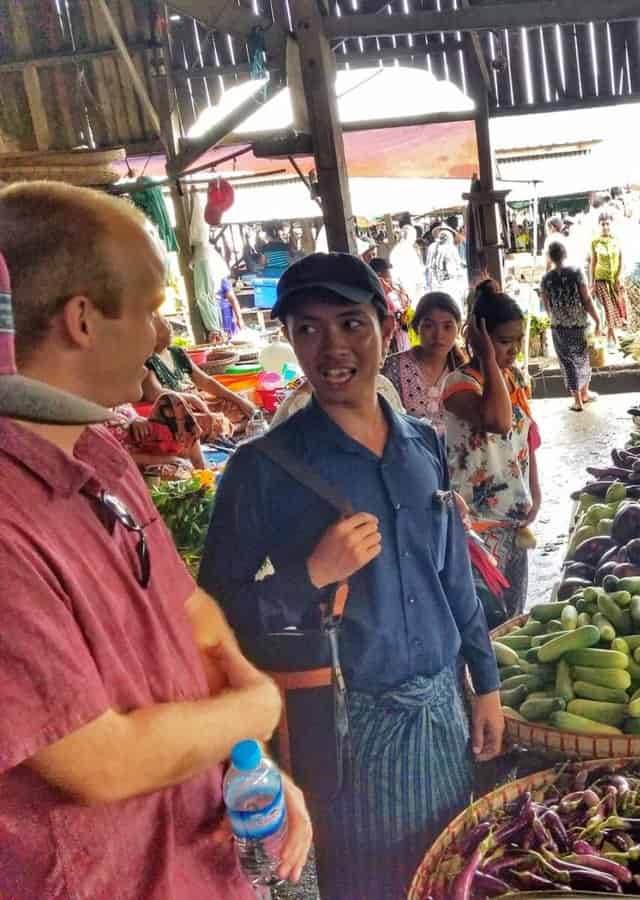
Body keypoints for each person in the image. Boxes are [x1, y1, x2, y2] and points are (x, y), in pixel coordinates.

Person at [0, 180, 312, 898]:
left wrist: (246, 757)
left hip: (198, 859)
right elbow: (98, 760)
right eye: (150, 310)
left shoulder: (101, 452)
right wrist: (258, 707)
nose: (166, 336)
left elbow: (189, 611)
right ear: (82, 319)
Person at [199, 253, 501, 898]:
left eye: (350, 323)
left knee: (452, 874)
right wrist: (309, 575)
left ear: (388, 327)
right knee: (371, 884)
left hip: (442, 717)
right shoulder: (262, 469)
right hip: (345, 735)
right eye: (307, 329)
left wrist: (487, 683)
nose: (332, 347)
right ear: (289, 338)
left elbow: (455, 580)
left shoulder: (422, 445)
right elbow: (209, 618)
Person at [443, 281, 540, 620]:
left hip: (512, 515)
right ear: (477, 337)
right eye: (502, 341)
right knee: (484, 616)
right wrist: (486, 359)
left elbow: (528, 439)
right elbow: (497, 420)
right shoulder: (459, 384)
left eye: (517, 340)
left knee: (513, 615)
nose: (513, 350)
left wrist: (535, 494)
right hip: (476, 519)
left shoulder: (514, 377)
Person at [142, 312, 256, 431]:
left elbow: (206, 382)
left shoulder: (177, 353)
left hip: (201, 404)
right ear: (151, 335)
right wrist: (190, 398)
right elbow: (153, 393)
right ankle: (234, 428)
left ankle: (230, 426)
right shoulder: (148, 361)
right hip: (183, 412)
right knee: (205, 422)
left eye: (167, 322)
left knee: (240, 401)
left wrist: (237, 400)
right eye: (163, 325)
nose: (169, 327)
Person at [381, 291, 466, 434]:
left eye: (447, 326)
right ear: (416, 327)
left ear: (458, 329)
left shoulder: (463, 372)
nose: (439, 335)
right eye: (429, 326)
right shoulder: (393, 367)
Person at [541, 243, 602, 411]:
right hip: (579, 324)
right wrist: (597, 320)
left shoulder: (546, 279)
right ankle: (585, 392)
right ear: (565, 253)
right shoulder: (576, 272)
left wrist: (556, 316)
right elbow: (587, 300)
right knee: (583, 358)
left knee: (567, 362)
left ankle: (578, 400)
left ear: (550, 257)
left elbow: (546, 304)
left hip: (559, 327)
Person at [590, 214, 626, 343]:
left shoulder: (617, 240)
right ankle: (612, 338)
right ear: (599, 226)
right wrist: (592, 283)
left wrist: (619, 277)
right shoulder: (595, 242)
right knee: (609, 309)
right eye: (603, 224)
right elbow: (593, 263)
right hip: (600, 280)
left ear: (611, 225)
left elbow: (621, 260)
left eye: (607, 224)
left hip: (614, 281)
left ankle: (611, 337)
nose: (605, 226)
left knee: (615, 309)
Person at [369, 256, 411, 353]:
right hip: (391, 343)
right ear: (379, 275)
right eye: (387, 272)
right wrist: (399, 319)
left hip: (399, 338)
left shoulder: (389, 291)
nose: (390, 276)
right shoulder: (378, 295)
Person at [426, 224, 466, 302]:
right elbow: (458, 266)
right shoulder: (451, 248)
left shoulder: (432, 247)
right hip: (449, 284)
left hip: (435, 284)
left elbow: (428, 266)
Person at [388, 223, 426, 300]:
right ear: (409, 236)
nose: (414, 239)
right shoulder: (406, 249)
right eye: (413, 236)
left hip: (404, 286)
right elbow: (415, 269)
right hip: (409, 285)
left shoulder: (397, 249)